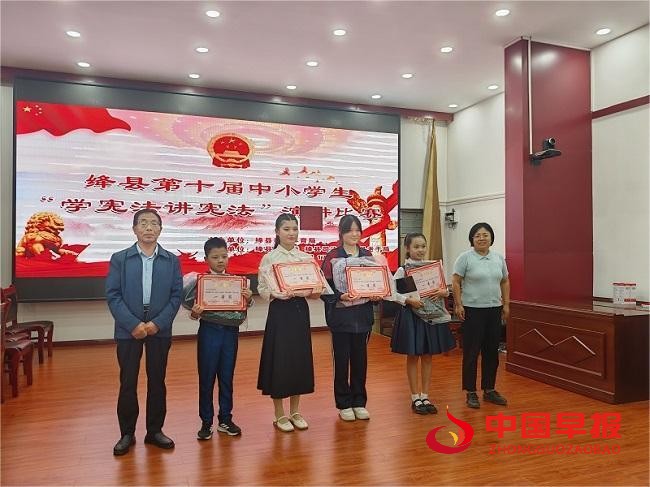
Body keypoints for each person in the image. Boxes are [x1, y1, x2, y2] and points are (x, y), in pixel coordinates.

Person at [106, 209, 182, 455]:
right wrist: (133, 324)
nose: (149, 227)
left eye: (154, 223)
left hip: (160, 329)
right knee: (128, 382)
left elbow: (176, 296)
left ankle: (154, 431)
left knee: (157, 380)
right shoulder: (120, 259)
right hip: (128, 330)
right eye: (143, 223)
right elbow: (113, 295)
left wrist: (157, 323)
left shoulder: (171, 260)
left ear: (160, 229)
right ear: (134, 229)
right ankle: (127, 433)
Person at [182, 237, 253, 440]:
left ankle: (225, 419)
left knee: (226, 377)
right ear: (206, 259)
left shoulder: (237, 282)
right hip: (209, 332)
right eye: (215, 257)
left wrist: (248, 298)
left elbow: (244, 306)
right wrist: (195, 313)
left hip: (230, 333)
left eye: (224, 256)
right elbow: (192, 311)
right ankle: (206, 422)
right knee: (206, 378)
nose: (221, 260)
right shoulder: (200, 282)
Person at [257, 213, 323, 432]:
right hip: (280, 312)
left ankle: (295, 411)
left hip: (299, 312)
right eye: (286, 229)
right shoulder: (270, 258)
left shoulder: (306, 258)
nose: (291, 233)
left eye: (295, 229)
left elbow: (317, 289)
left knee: (298, 360)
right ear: (277, 232)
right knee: (280, 360)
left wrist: (315, 290)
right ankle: (279, 414)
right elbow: (262, 289)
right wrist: (276, 293)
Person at [320, 215, 382, 422]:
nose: (354, 234)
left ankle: (359, 401)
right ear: (341, 233)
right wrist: (340, 296)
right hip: (341, 318)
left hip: (362, 318)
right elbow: (324, 288)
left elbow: (376, 282)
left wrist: (377, 294)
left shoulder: (367, 255)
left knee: (360, 361)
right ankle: (344, 403)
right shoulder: (332, 256)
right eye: (349, 230)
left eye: (357, 230)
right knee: (341, 361)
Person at [390, 233, 456, 414]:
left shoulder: (433, 268)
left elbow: (444, 289)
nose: (420, 250)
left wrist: (443, 292)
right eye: (416, 247)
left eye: (423, 246)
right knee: (413, 356)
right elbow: (392, 293)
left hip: (432, 316)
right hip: (411, 316)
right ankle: (415, 397)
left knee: (428, 356)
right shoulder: (403, 270)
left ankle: (425, 395)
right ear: (407, 248)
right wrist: (409, 301)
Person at [452, 222, 510, 409]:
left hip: (494, 309)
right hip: (472, 310)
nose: (482, 238)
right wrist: (458, 304)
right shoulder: (465, 258)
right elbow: (455, 281)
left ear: (491, 238)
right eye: (477, 235)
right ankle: (470, 391)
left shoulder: (498, 258)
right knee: (471, 352)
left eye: (485, 235)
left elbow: (505, 281)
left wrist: (506, 304)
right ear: (472, 239)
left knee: (491, 352)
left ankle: (489, 389)